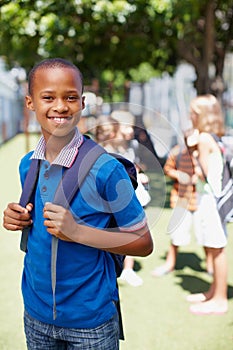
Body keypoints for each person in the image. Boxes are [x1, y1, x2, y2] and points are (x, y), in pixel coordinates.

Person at [3, 58, 153, 349]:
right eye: (48, 97)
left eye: (70, 97)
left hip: (91, 321)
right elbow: (39, 226)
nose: (60, 106)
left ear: (82, 103)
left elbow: (143, 242)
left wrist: (77, 231)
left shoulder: (108, 170)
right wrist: (18, 218)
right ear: (30, 103)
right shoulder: (26, 165)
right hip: (35, 314)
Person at [95, 113, 151, 287]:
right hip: (114, 198)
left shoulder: (128, 148)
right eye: (127, 127)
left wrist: (138, 176)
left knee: (132, 229)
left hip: (130, 196)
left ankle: (128, 268)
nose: (131, 131)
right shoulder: (107, 152)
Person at [185, 94, 228, 315]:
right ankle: (213, 292)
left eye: (193, 112)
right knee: (213, 246)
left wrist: (192, 150)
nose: (190, 116)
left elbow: (202, 174)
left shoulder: (202, 139)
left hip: (211, 198)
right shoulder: (215, 136)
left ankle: (220, 299)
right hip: (214, 198)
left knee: (216, 248)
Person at [151, 130, 213, 277]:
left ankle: (210, 266)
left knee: (205, 235)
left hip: (201, 199)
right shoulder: (177, 152)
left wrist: (199, 169)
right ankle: (170, 264)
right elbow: (168, 169)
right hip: (182, 199)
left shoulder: (203, 152)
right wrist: (180, 175)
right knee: (177, 234)